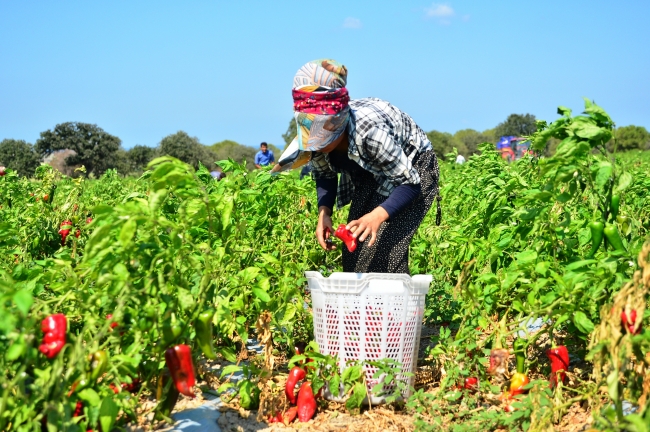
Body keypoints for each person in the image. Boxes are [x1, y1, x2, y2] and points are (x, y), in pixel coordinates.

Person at [272, 59, 441, 274]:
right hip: (371, 171)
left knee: (385, 250)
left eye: (323, 141)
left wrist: (377, 215)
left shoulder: (370, 134)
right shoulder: (317, 143)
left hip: (412, 168)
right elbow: (325, 174)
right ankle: (361, 306)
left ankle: (394, 305)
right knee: (355, 248)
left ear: (339, 126)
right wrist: (324, 213)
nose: (318, 148)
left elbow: (410, 183)